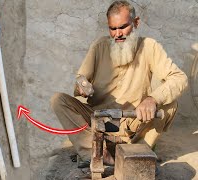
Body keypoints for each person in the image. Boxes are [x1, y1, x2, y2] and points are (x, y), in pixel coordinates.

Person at [50, 0, 188, 166]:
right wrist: (82, 85)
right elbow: (81, 80)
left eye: (123, 27)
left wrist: (152, 99)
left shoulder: (149, 47)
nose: (118, 34)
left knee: (169, 104)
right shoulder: (99, 46)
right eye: (113, 29)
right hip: (98, 122)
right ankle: (95, 152)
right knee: (58, 100)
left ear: (136, 22)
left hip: (133, 123)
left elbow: (179, 78)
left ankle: (139, 152)